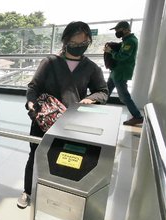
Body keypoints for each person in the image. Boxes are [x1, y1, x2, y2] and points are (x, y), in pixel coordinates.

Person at [18, 21, 108, 209]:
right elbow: (33, 87)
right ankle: (27, 191)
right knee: (35, 154)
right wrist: (31, 102)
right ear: (65, 41)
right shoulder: (50, 62)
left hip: (71, 122)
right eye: (75, 43)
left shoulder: (91, 68)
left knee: (63, 158)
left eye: (83, 43)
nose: (79, 46)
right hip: (43, 120)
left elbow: (102, 91)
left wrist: (90, 99)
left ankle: (52, 195)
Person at [104, 21, 143, 126]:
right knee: (105, 91)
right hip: (116, 71)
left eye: (118, 30)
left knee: (124, 96)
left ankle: (137, 116)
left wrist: (110, 51)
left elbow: (122, 56)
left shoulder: (130, 41)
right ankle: (97, 107)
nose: (116, 32)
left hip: (120, 73)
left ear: (126, 29)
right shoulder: (126, 40)